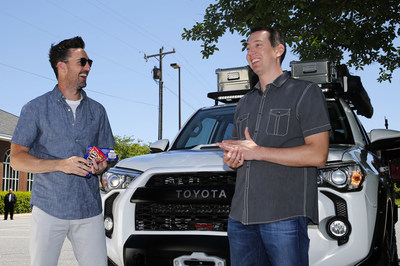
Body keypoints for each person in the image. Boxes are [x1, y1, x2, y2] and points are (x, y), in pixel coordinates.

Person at [217, 27, 331, 266]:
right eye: (247, 49)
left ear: (278, 50)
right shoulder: (244, 103)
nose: (250, 53)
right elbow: (242, 153)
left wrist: (257, 152)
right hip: (240, 219)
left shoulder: (305, 93)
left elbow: (318, 154)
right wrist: (233, 159)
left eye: (258, 45)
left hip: (284, 215)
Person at [10, 36, 115, 266]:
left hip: (89, 210)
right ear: (62, 66)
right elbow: (17, 160)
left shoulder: (98, 111)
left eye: (89, 62)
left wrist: (102, 165)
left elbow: (108, 154)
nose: (88, 67)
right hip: (49, 209)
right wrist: (60, 164)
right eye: (82, 62)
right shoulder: (35, 108)